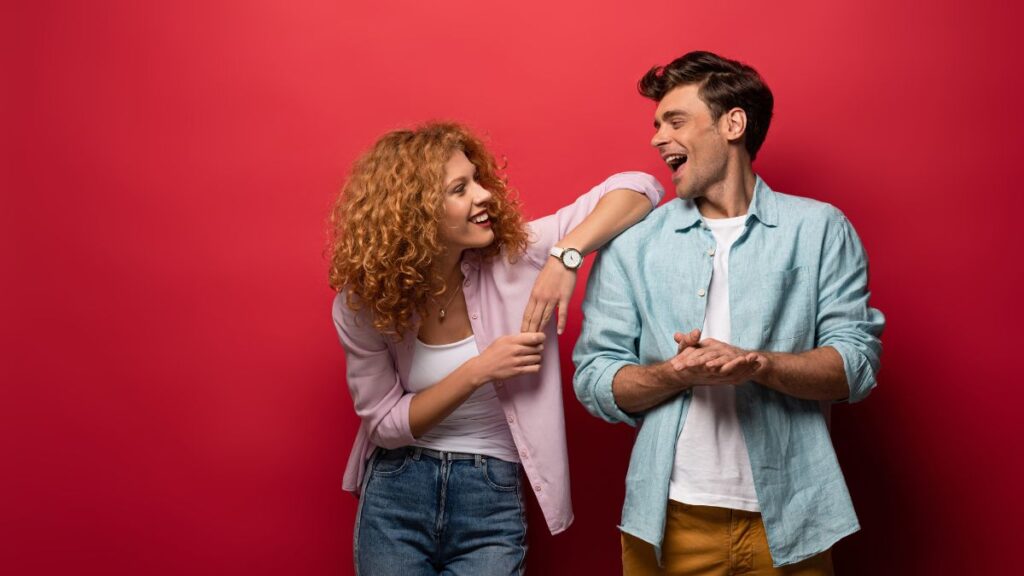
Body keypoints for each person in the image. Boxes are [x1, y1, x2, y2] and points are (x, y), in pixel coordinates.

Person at [573, 51, 885, 574]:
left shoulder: (820, 230)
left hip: (795, 517)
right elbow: (595, 378)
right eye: (655, 124)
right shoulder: (633, 245)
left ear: (732, 123)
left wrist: (757, 364)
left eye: (675, 121)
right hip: (668, 522)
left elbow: (856, 366)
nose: (656, 138)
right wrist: (674, 374)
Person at [328, 121, 663, 575]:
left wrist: (567, 255)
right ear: (415, 211)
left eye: (478, 179)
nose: (484, 195)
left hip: (490, 491)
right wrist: (479, 370)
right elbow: (384, 425)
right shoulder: (364, 303)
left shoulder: (518, 255)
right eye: (459, 188)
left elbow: (640, 187)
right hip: (396, 487)